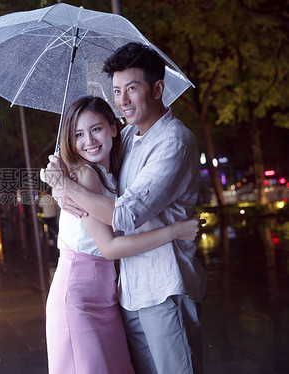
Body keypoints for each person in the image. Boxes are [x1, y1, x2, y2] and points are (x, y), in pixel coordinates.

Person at [46, 42, 206, 374]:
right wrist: (60, 185)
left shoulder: (173, 142)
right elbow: (97, 174)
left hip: (163, 284)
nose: (122, 100)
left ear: (158, 88)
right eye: (117, 91)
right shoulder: (131, 136)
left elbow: (124, 214)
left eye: (132, 89)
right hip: (127, 292)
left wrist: (68, 186)